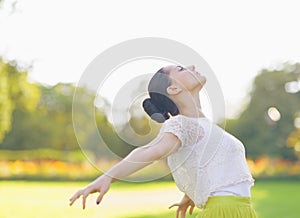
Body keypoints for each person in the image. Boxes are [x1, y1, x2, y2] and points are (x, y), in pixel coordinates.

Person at [69, 65, 257, 218]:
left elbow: (204, 162)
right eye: (182, 69)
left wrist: (193, 192)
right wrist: (107, 176)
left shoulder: (202, 126)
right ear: (173, 88)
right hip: (224, 212)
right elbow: (151, 151)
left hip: (240, 210)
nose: (192, 66)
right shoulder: (182, 124)